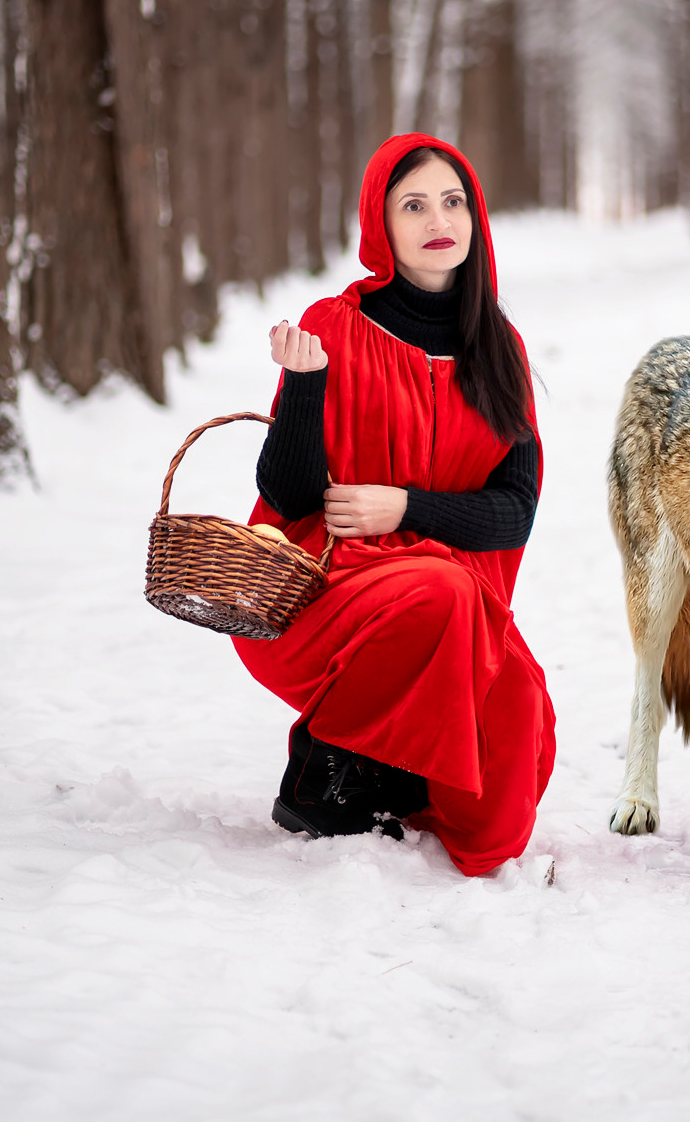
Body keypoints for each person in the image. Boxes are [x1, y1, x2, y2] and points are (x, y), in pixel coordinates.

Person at [235, 133, 555, 878]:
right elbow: (285, 495)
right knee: (436, 589)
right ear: (381, 223)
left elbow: (514, 511)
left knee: (511, 772)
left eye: (453, 201)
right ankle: (328, 764)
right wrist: (307, 384)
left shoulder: (497, 348)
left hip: (455, 609)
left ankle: (395, 773)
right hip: (323, 595)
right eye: (413, 204)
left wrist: (405, 507)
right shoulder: (336, 324)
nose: (437, 219)